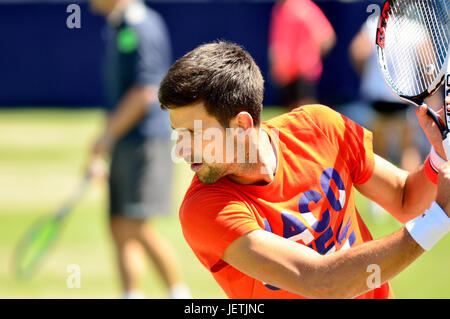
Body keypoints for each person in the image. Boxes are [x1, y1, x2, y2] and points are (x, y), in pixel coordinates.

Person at [157, 41, 450, 299]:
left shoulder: (320, 127)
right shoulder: (204, 210)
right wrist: (437, 220)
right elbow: (320, 283)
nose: (181, 149)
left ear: (242, 126)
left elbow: (404, 199)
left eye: (193, 133)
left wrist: (438, 158)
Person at [87, 0, 190, 299]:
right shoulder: (119, 27)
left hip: (147, 142)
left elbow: (144, 91)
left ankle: (180, 295)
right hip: (125, 141)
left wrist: (105, 137)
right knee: (119, 224)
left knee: (136, 224)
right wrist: (103, 148)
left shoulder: (142, 26)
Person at [268, 0, 336, 110]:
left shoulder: (303, 6)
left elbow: (327, 37)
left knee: (306, 113)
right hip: (286, 74)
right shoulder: (279, 9)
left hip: (303, 72)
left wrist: (309, 56)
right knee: (290, 116)